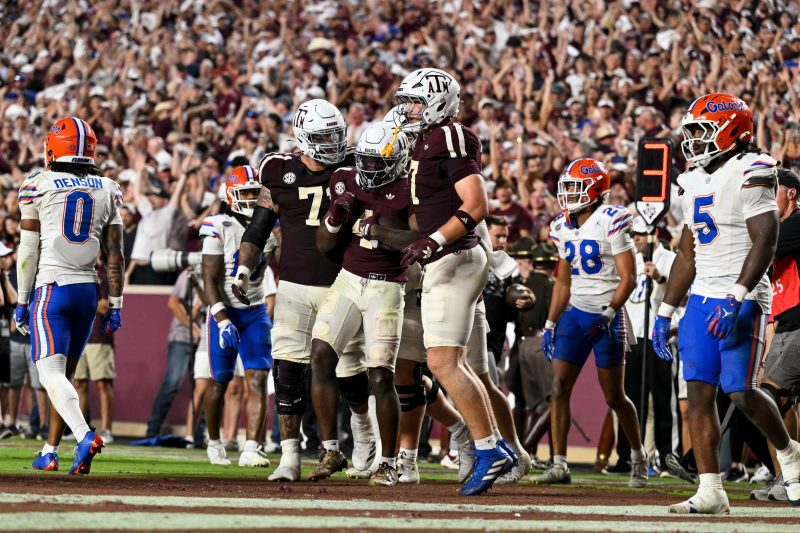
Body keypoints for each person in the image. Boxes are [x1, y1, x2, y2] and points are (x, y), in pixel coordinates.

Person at [652, 93, 800, 513]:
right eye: (693, 131)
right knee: (698, 392)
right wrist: (665, 311)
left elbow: (765, 240)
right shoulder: (692, 180)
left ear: (732, 130)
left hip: (744, 293)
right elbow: (687, 254)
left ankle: (790, 452)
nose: (694, 139)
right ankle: (710, 490)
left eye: (703, 130)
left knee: (740, 390)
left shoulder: (754, 169)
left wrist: (737, 295)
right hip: (702, 295)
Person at [231, 99, 369, 482]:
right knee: (287, 370)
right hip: (293, 285)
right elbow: (259, 225)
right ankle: (290, 455)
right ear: (304, 138)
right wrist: (244, 268)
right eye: (324, 137)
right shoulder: (278, 170)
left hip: (344, 282)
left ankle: (363, 438)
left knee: (351, 371)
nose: (333, 143)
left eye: (335, 134)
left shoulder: (354, 165)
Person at [389, 67, 513, 496]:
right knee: (456, 363)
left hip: (455, 256)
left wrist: (433, 240)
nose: (408, 109)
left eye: (416, 102)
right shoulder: (424, 140)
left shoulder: (450, 135)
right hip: (446, 258)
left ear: (439, 103)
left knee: (442, 363)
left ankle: (489, 449)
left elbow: (476, 204)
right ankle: (494, 445)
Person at [15, 117, 124, 474]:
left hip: (53, 288)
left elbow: (28, 251)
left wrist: (22, 300)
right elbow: (116, 254)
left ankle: (83, 436)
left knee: (49, 373)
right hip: (88, 291)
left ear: (52, 150)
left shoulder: (38, 183)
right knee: (65, 377)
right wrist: (117, 303)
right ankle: (49, 451)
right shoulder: (107, 186)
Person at [310, 124, 412, 486]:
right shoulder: (344, 178)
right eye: (364, 160)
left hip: (387, 286)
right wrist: (335, 218)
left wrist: (379, 231)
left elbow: (420, 238)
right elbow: (323, 244)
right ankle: (330, 449)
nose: (368, 168)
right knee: (321, 354)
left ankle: (388, 463)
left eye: (376, 162)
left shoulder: (408, 188)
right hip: (349, 279)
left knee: (381, 375)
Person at [538, 158, 647, 489]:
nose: (569, 194)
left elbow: (629, 278)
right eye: (568, 187)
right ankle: (559, 463)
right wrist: (550, 323)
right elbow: (563, 281)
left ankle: (638, 457)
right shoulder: (561, 225)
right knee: (558, 388)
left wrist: (609, 314)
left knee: (614, 397)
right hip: (574, 313)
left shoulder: (611, 219)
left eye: (576, 187)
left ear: (596, 190)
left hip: (606, 315)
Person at [200, 165, 274, 468]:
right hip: (225, 310)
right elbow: (209, 279)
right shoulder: (219, 225)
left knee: (258, 378)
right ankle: (214, 441)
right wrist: (221, 319)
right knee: (220, 380)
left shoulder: (272, 225)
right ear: (231, 195)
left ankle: (252, 447)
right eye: (247, 192)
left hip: (255, 311)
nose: (253, 198)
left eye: (257, 192)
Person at [614, 216, 679, 475]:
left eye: (640, 234)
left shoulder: (670, 259)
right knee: (629, 398)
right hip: (634, 336)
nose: (636, 239)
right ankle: (627, 456)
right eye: (633, 235)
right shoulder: (631, 259)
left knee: (662, 399)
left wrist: (661, 279)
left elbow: (682, 296)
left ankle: (665, 455)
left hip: (657, 335)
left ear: (654, 235)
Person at [752, 168, 800, 502]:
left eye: (774, 190)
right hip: (785, 322)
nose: (769, 198)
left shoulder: (795, 223)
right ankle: (787, 478)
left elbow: (764, 244)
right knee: (778, 401)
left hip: (798, 322)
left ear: (792, 193)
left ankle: (789, 478)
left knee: (772, 397)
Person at [506, 243, 556, 465]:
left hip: (522, 345)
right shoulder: (551, 285)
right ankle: (527, 450)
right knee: (554, 401)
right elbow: (554, 316)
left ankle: (527, 454)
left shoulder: (523, 285)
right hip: (541, 342)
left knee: (531, 404)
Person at [74, 260, 117, 444]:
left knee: (102, 384)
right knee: (79, 384)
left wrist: (80, 303)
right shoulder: (75, 272)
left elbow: (104, 306)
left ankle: (106, 429)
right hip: (78, 337)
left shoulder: (104, 276)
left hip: (99, 337)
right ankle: (82, 429)